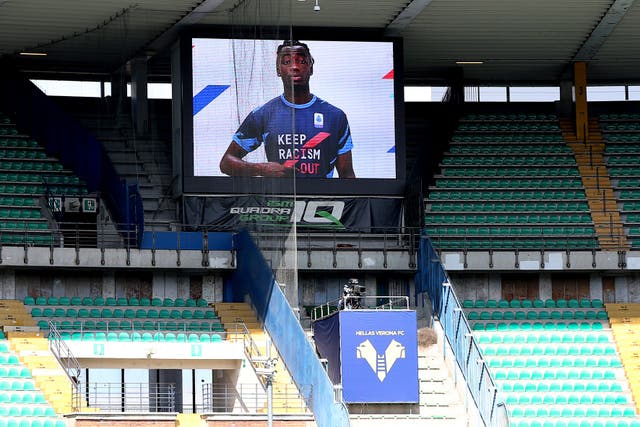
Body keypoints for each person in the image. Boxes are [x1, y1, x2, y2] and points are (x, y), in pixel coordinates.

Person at [219, 40, 356, 178]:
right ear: (278, 70)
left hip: (320, 199)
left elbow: (347, 174)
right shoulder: (264, 114)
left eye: (301, 61)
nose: (295, 67)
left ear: (311, 68)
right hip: (280, 198)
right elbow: (226, 163)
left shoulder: (334, 116)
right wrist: (261, 169)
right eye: (286, 62)